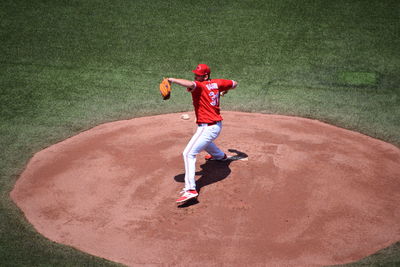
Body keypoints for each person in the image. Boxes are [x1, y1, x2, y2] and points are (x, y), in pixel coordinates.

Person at [167, 64, 238, 204]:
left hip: (209, 127)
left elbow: (190, 84)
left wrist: (172, 80)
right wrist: (224, 90)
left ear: (205, 76)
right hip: (214, 126)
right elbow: (235, 83)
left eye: (198, 75)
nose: (195, 77)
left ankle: (190, 190)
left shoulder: (200, 86)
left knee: (188, 153)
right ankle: (220, 156)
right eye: (195, 74)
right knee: (204, 141)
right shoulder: (217, 83)